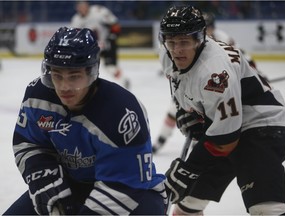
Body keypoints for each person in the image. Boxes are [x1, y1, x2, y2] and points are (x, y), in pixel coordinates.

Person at [3, 27, 167, 215]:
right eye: (57, 75)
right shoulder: (37, 97)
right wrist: (47, 184)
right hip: (71, 184)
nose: (64, 87)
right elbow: (29, 143)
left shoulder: (121, 111)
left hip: (135, 191)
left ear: (91, 72)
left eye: (74, 77)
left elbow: (124, 183)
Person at [159, 5, 285, 215]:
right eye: (171, 42)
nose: (177, 50)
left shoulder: (214, 71)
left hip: (260, 124)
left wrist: (188, 168)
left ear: (200, 39)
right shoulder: (168, 55)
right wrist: (186, 111)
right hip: (223, 124)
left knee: (266, 209)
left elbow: (226, 137)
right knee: (186, 205)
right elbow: (181, 85)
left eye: (184, 42)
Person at [152, 10, 259, 154]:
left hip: (215, 85)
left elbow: (242, 58)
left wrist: (253, 76)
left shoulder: (221, 39)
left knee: (210, 119)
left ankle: (200, 147)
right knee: (175, 112)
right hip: (189, 87)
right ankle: (160, 141)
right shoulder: (176, 47)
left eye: (209, 27)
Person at [70, 1, 130, 89]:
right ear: (77, 8)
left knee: (110, 67)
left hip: (106, 44)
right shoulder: (76, 20)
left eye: (84, 5)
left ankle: (124, 80)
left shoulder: (98, 12)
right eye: (80, 6)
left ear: (87, 5)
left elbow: (115, 24)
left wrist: (112, 36)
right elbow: (74, 37)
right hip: (90, 49)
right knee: (84, 68)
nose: (82, 8)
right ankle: (85, 87)